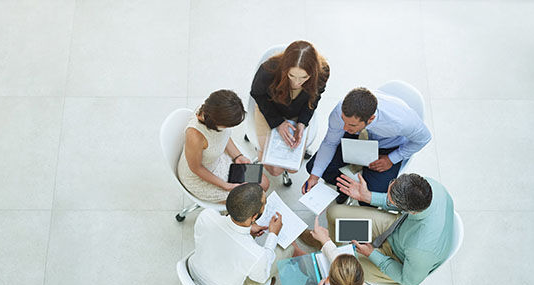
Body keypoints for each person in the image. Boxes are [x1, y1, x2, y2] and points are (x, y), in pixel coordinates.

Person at [303, 87, 432, 204]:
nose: (344, 127)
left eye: (351, 125)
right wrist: (314, 177)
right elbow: (330, 142)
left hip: (387, 148)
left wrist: (392, 158)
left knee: (369, 199)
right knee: (314, 168)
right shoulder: (341, 112)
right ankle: (345, 189)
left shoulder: (400, 121)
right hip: (357, 137)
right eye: (343, 121)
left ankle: (357, 189)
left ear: (370, 119)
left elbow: (424, 138)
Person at [326, 172, 454, 285]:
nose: (387, 198)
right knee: (334, 212)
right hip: (397, 226)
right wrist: (368, 197)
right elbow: (399, 200)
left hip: (398, 258)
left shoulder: (421, 250)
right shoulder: (428, 186)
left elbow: (409, 281)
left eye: (391, 200)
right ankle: (329, 243)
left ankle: (328, 251)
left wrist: (372, 254)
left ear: (411, 211)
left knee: (337, 266)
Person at [188, 183, 305, 285]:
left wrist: (248, 228)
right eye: (265, 204)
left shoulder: (206, 215)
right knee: (289, 248)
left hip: (194, 271)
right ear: (254, 217)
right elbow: (261, 277)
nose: (266, 205)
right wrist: (273, 235)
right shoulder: (256, 255)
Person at [250, 40, 330, 178]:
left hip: (297, 112)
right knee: (275, 170)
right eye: (291, 76)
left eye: (304, 77)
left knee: (293, 168)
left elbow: (314, 98)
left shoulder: (323, 72)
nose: (297, 83)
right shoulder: (268, 69)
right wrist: (277, 123)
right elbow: (257, 94)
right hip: (270, 109)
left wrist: (302, 122)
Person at [177, 90, 269, 203]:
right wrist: (225, 186)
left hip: (219, 159)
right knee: (251, 199)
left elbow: (223, 136)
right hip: (200, 176)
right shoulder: (195, 136)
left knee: (264, 183)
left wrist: (237, 156)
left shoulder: (211, 110)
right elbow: (196, 168)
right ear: (217, 122)